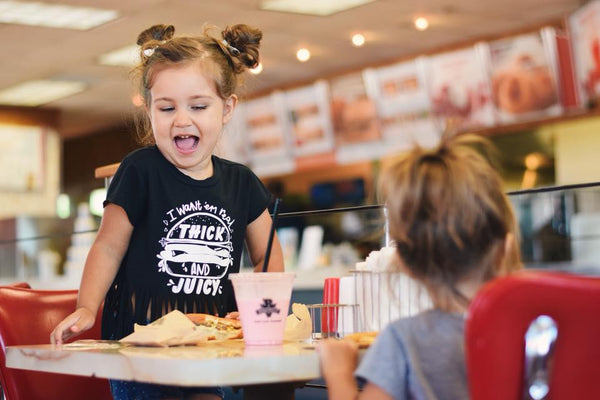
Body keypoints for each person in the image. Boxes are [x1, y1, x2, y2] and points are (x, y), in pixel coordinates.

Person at [51, 23, 283, 400]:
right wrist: (86, 307)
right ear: (149, 110)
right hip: (139, 348)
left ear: (227, 108)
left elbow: (268, 255)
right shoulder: (139, 170)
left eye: (198, 106)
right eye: (166, 107)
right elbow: (108, 247)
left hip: (209, 349)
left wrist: (257, 311)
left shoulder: (242, 183)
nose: (181, 119)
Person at [317, 132, 522, 400]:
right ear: (504, 249)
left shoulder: (402, 341)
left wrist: (339, 374)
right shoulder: (532, 332)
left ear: (403, 263)